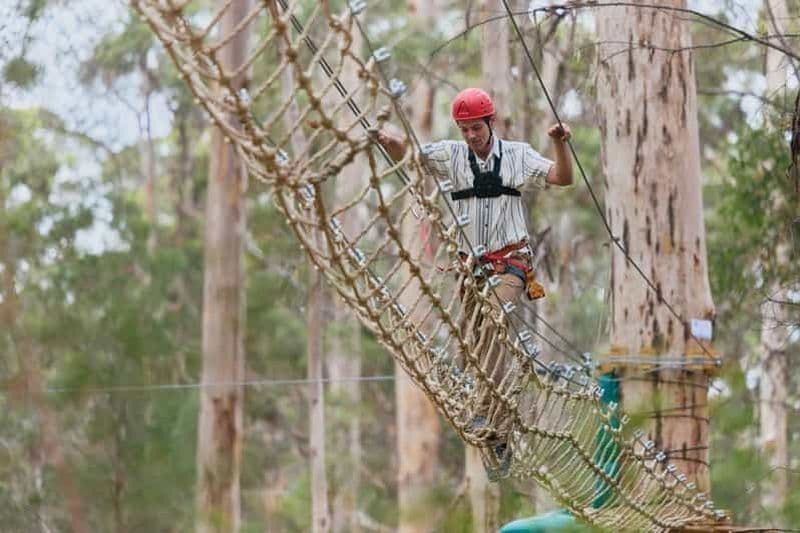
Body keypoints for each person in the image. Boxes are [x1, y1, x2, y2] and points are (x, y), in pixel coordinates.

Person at [377, 87, 574, 479]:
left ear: (491, 122)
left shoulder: (516, 155)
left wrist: (559, 144)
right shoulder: (450, 156)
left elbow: (562, 177)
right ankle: (499, 435)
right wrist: (388, 140)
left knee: (492, 322)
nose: (470, 136)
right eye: (464, 129)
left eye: (476, 129)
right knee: (478, 344)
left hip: (509, 263)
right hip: (471, 269)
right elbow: (409, 155)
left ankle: (490, 414)